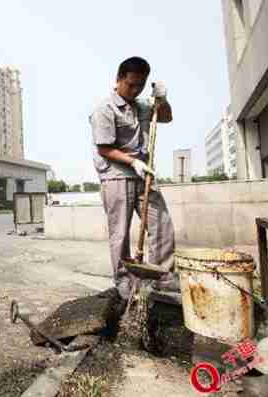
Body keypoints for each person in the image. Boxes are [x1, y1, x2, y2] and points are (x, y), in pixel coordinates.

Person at [89, 56, 178, 299]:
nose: (135, 89)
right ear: (118, 80)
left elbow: (166, 117)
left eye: (140, 85)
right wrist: (133, 161)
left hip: (144, 175)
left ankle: (164, 277)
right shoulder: (104, 110)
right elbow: (104, 148)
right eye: (131, 84)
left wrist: (162, 99)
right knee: (120, 233)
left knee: (161, 224)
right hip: (117, 176)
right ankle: (124, 280)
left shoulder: (141, 107)